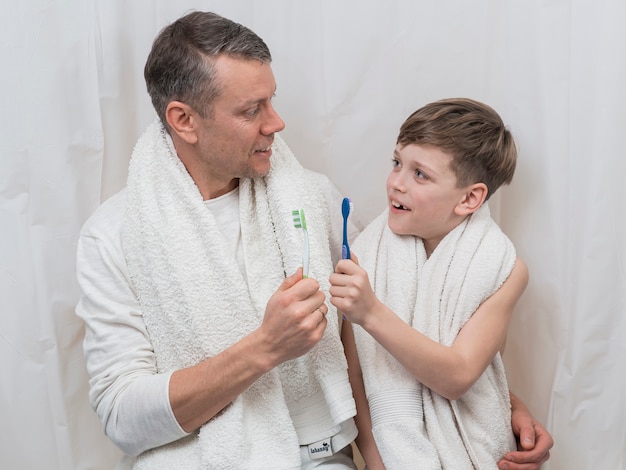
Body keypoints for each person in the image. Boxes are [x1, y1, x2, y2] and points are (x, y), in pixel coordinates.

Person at [75, 11, 551, 469]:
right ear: (184, 121)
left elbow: (393, 319)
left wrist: (494, 403)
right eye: (251, 109)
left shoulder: (312, 200)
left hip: (321, 455)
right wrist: (264, 347)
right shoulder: (116, 236)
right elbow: (122, 417)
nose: (276, 123)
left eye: (272, 100)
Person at [330, 98, 552, 469]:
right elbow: (356, 376)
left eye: (420, 174)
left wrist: (370, 313)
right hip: (390, 448)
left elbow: (459, 376)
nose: (396, 184)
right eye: (397, 163)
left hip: (474, 444)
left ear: (469, 198)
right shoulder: (368, 254)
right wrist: (376, 460)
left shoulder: (502, 268)